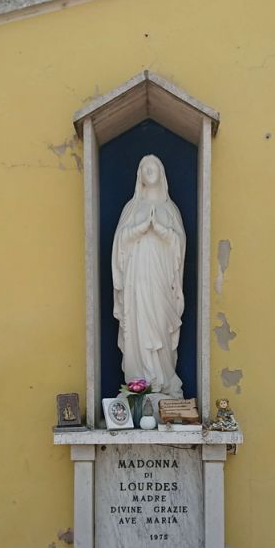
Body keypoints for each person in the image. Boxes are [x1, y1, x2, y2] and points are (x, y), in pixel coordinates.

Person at [112, 154, 185, 399]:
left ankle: (163, 379)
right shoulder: (132, 209)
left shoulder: (169, 209)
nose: (149, 170)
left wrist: (162, 231)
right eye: (144, 167)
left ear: (161, 173)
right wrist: (141, 229)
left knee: (161, 324)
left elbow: (179, 246)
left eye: (153, 166)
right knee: (138, 326)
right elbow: (119, 244)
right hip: (136, 279)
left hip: (161, 279)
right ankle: (139, 383)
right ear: (139, 176)